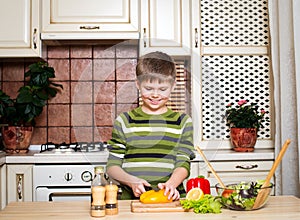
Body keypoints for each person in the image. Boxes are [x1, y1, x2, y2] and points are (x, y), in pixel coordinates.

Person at [106, 51, 195, 201]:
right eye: (148, 88)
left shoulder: (183, 122)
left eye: (162, 89)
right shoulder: (124, 121)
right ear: (138, 84)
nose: (155, 95)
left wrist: (171, 185)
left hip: (171, 199)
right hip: (131, 201)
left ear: (172, 86)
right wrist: (131, 181)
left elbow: (183, 161)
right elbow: (112, 166)